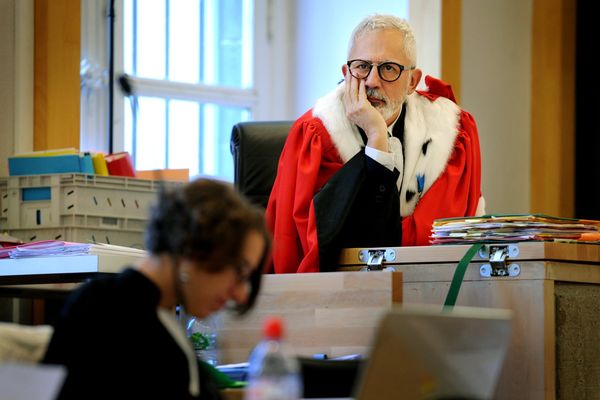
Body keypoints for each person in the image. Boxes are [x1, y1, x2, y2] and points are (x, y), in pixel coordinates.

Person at [266, 14, 485, 274]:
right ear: (346, 73)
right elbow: (315, 248)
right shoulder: (315, 136)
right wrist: (377, 139)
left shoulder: (453, 133)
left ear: (412, 82)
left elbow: (465, 239)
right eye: (361, 67)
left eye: (388, 68)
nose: (371, 81)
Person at [42, 178, 271, 399]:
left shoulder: (161, 320)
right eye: (239, 271)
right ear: (192, 247)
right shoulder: (104, 312)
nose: (241, 295)